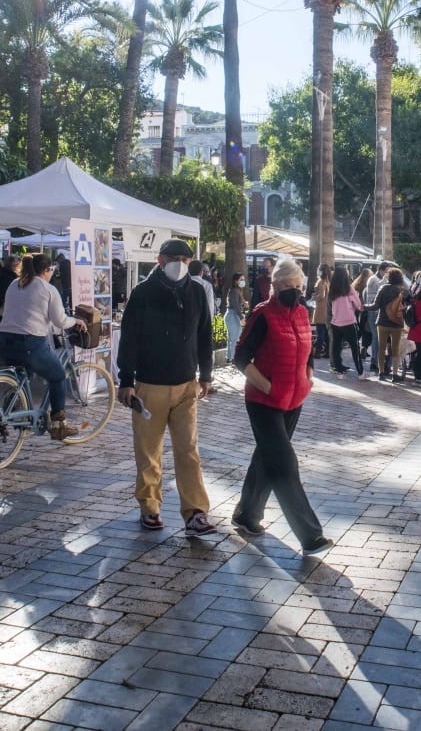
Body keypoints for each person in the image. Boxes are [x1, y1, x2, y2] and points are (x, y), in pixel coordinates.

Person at [230, 257, 333, 556]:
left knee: (267, 459)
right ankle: (310, 535)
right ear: (275, 285)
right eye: (289, 285)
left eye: (299, 286)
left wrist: (308, 378)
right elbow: (240, 358)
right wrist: (268, 387)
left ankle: (246, 515)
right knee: (285, 464)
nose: (295, 291)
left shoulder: (302, 312)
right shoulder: (263, 314)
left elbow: (308, 351)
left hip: (294, 400)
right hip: (264, 402)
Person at [116, 238, 216, 535]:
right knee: (148, 452)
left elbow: (205, 335)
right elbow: (129, 337)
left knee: (189, 451)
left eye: (185, 260)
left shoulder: (197, 292)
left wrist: (207, 374)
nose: (180, 263)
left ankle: (195, 512)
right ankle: (149, 506)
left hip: (186, 383)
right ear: (160, 260)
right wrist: (125, 380)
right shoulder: (143, 293)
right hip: (149, 385)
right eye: (174, 258)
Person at [0, 255, 82, 439]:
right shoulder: (48, 289)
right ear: (47, 270)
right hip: (29, 343)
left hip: (3, 341)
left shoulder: (14, 284)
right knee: (57, 377)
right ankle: (59, 425)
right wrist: (76, 321)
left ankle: (18, 412)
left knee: (22, 376)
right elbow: (60, 320)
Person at [371, 268, 409, 382]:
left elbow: (375, 305)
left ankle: (381, 373)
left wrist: (364, 307)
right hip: (396, 323)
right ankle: (395, 374)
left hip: (382, 322)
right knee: (395, 349)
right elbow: (410, 302)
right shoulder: (402, 290)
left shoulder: (383, 288)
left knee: (381, 348)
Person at [327, 267, 364, 376]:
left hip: (335, 322)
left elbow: (330, 305)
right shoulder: (349, 289)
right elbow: (358, 305)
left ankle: (339, 369)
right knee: (354, 347)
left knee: (336, 347)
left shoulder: (332, 289)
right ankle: (360, 370)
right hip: (348, 322)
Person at [362, 265, 386, 372]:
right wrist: (387, 279)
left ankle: (377, 360)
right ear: (381, 270)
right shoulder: (373, 279)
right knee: (376, 337)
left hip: (377, 311)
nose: (387, 273)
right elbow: (380, 288)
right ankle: (374, 361)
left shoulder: (378, 279)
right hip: (373, 312)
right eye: (386, 271)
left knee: (378, 337)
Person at [224, 271, 249, 362]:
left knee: (234, 338)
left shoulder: (237, 291)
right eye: (241, 279)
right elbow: (235, 305)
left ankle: (230, 357)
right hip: (232, 315)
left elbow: (237, 304)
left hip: (233, 315)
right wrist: (241, 317)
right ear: (236, 281)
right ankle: (232, 358)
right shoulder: (234, 291)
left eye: (244, 279)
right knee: (234, 338)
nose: (243, 281)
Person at [0, 254, 19, 324]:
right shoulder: (11, 277)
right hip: (4, 308)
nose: (18, 265)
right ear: (12, 264)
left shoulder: (0, 274)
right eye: (16, 263)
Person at [310, 264, 331, 359]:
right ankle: (328, 352)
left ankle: (317, 352)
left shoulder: (320, 282)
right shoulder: (327, 281)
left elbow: (321, 295)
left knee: (320, 333)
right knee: (326, 333)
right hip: (327, 309)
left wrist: (314, 297)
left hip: (320, 309)